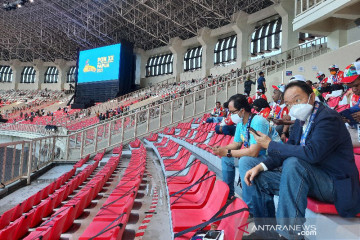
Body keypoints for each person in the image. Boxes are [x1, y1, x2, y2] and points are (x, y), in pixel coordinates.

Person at [242, 81, 360, 239]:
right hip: (310, 178)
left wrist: (271, 144)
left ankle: (290, 235)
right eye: (289, 104)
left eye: (297, 100)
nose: (293, 107)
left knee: (294, 164)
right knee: (258, 175)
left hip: (333, 183)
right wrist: (261, 166)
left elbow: (312, 154)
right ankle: (267, 233)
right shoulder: (299, 121)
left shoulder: (328, 118)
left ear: (311, 97)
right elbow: (287, 149)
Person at [212, 94, 281, 207]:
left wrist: (228, 152)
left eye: (233, 112)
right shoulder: (240, 123)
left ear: (242, 110)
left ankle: (250, 207)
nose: (230, 115)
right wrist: (222, 149)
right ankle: (229, 195)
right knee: (226, 159)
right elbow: (237, 143)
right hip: (259, 157)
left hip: (273, 158)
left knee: (245, 161)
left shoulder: (257, 121)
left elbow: (254, 152)